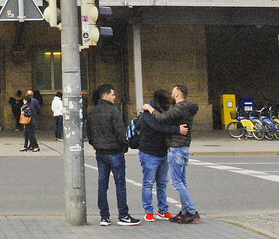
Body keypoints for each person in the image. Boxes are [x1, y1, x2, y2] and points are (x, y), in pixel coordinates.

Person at [142, 84, 200, 223]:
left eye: (174, 90)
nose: (172, 92)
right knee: (182, 181)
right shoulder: (187, 107)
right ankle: (185, 211)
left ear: (179, 93)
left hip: (177, 147)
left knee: (176, 182)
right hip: (183, 147)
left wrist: (150, 109)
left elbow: (162, 119)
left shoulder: (180, 107)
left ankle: (191, 210)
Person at [85, 83, 139, 226]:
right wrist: (124, 146)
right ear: (106, 95)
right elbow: (120, 133)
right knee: (120, 184)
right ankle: (123, 215)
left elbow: (89, 134)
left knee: (102, 185)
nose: (115, 97)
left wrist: (96, 145)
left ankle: (104, 216)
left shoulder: (93, 112)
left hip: (100, 153)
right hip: (115, 152)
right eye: (113, 94)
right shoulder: (114, 111)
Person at [137, 89, 188, 222]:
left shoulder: (164, 111)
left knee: (162, 183)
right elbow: (158, 126)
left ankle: (163, 210)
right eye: (166, 104)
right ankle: (148, 211)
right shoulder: (148, 112)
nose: (168, 106)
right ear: (159, 102)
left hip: (162, 151)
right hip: (148, 152)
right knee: (148, 183)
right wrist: (177, 130)